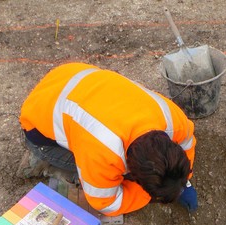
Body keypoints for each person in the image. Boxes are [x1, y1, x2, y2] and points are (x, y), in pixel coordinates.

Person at [19, 62, 198, 216]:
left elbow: (187, 144)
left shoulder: (173, 120)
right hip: (37, 123)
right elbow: (106, 203)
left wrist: (182, 181)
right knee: (106, 178)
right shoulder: (104, 150)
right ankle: (43, 162)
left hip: (70, 75)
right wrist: (149, 194)